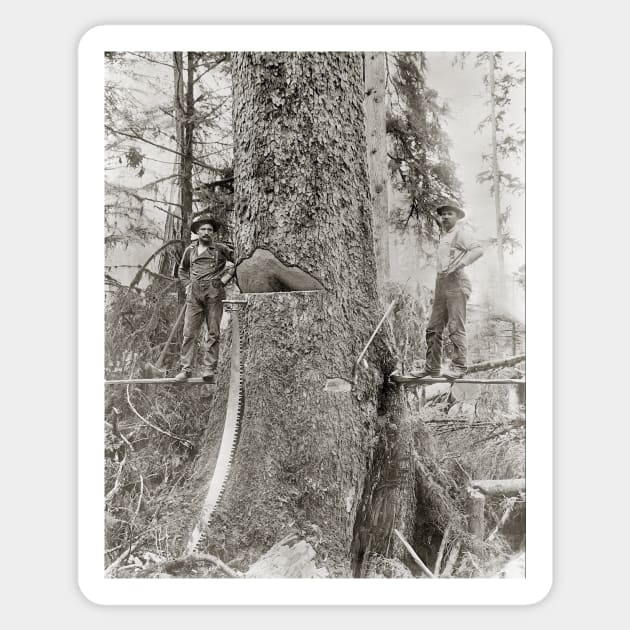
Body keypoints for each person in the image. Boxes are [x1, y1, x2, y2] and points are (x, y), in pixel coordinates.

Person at [413, 201, 484, 380]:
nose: (445, 216)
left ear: (457, 217)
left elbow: (478, 250)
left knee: (455, 327)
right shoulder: (443, 237)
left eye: (449, 214)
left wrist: (460, 264)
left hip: (456, 283)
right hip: (441, 285)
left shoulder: (461, 234)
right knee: (433, 328)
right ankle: (432, 368)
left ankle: (459, 367)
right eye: (443, 214)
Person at [175, 211, 234, 382]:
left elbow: (238, 263)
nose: (206, 232)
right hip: (194, 294)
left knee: (213, 332)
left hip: (214, 293)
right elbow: (182, 270)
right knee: (189, 332)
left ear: (213, 233)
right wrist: (187, 285)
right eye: (203, 229)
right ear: (197, 232)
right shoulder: (190, 250)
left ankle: (209, 368)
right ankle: (185, 369)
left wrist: (223, 281)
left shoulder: (220, 249)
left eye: (209, 229)